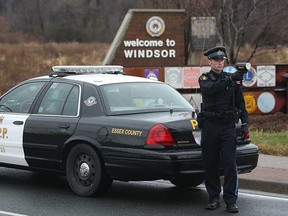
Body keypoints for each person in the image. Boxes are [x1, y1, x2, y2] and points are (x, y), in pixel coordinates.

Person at [198, 46, 249, 213]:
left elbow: (240, 104)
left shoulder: (231, 80)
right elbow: (210, 89)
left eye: (222, 60)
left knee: (229, 164)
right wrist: (230, 80)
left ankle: (231, 200)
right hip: (210, 126)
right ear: (210, 62)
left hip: (227, 127)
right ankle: (213, 198)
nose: (220, 63)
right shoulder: (205, 78)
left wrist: (245, 124)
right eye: (216, 60)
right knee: (210, 163)